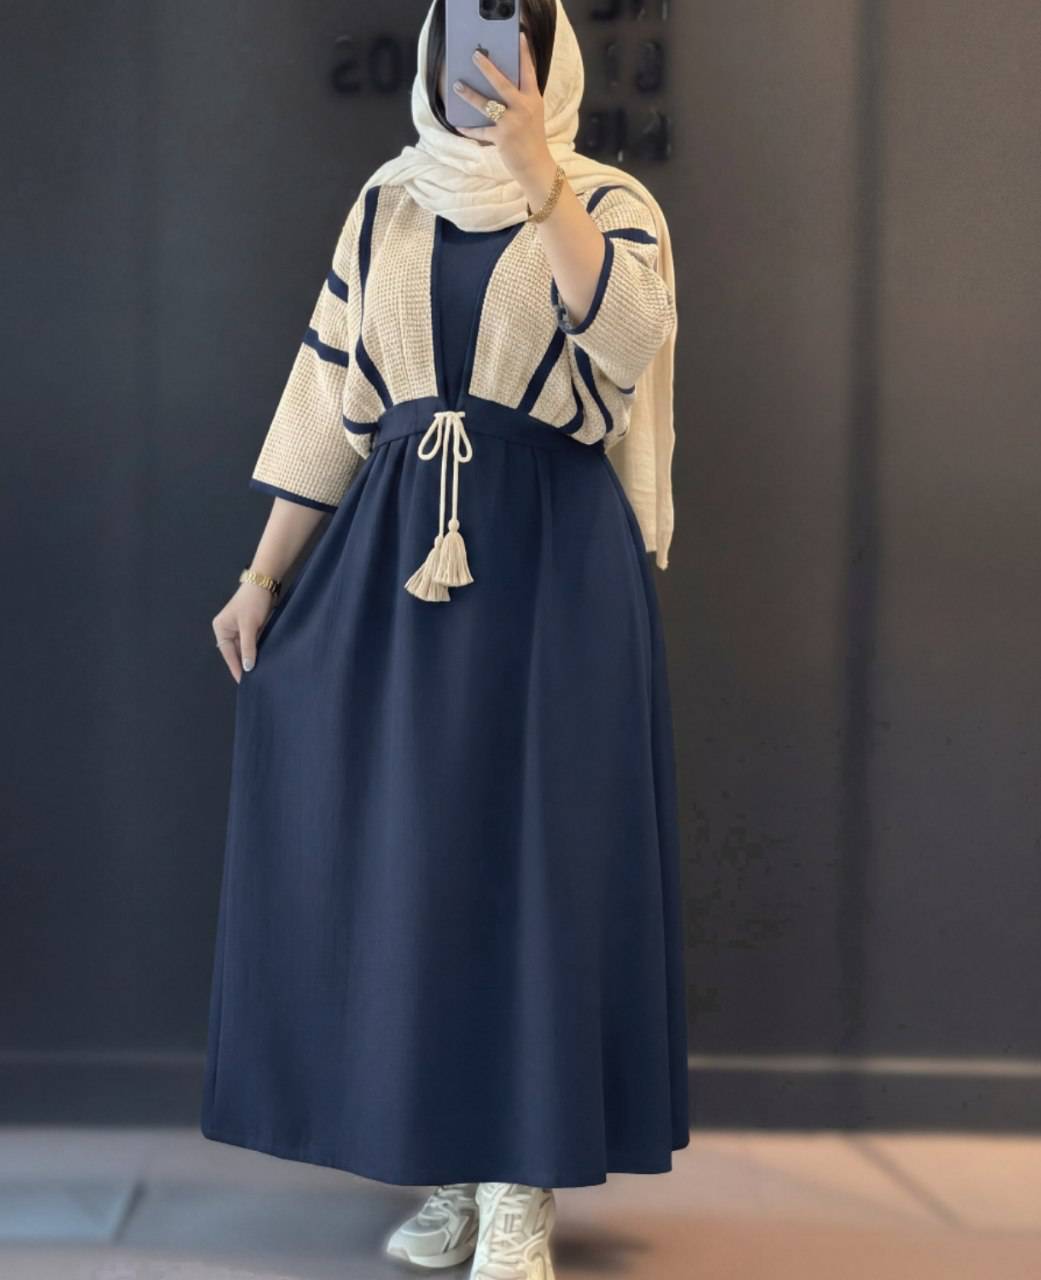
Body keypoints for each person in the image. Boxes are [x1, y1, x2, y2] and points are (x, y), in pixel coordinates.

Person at [201, 2, 688, 1276]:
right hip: (398, 566)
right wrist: (261, 574)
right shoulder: (388, 205)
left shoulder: (610, 202)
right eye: (467, 31)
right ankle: (458, 1159)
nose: (485, 63)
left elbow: (630, 345)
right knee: (421, 866)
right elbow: (330, 398)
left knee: (537, 864)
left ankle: (525, 1184)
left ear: (550, 57)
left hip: (554, 566)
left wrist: (540, 180)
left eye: (514, 33)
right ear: (432, 53)